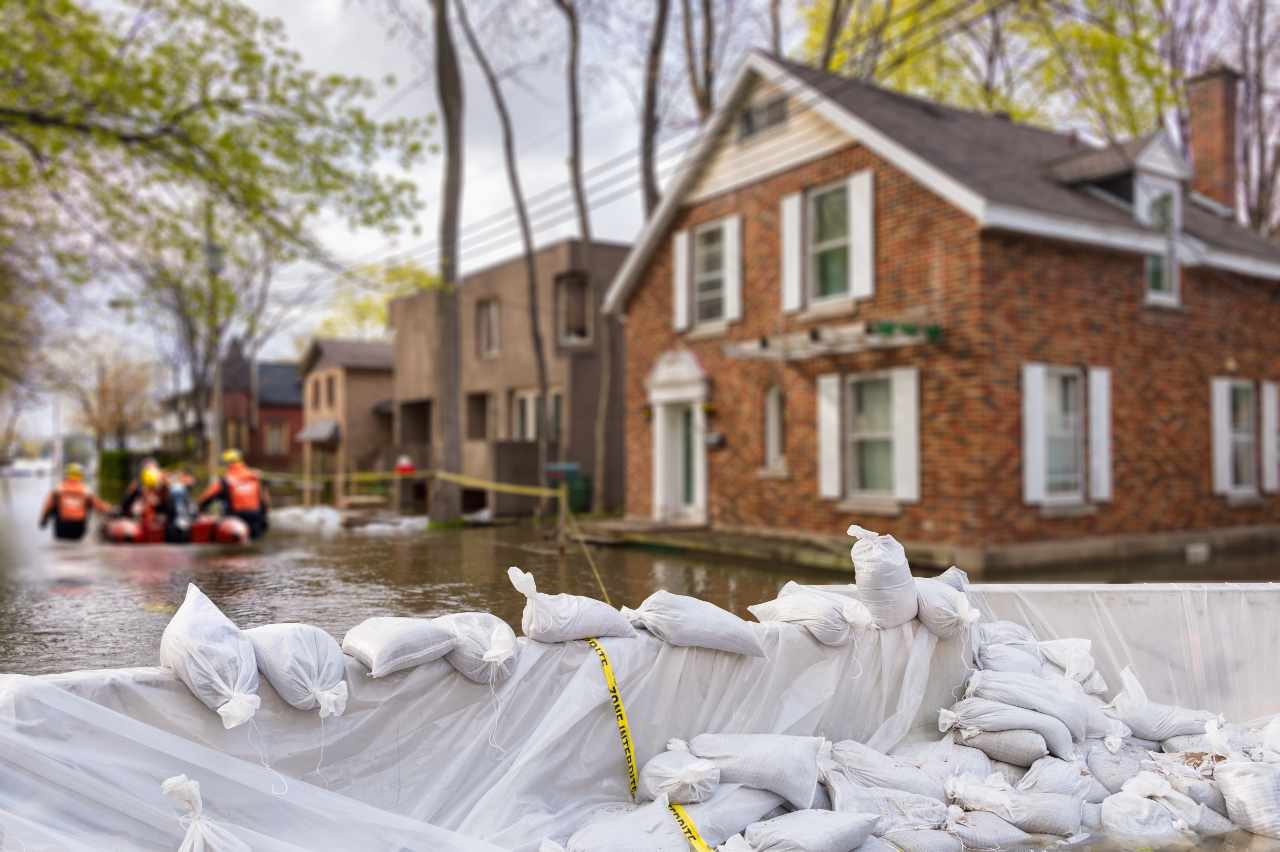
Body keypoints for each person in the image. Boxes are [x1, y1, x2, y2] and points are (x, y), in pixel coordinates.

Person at [198, 449, 269, 539]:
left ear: (227, 464)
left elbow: (206, 498)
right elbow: (265, 500)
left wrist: (200, 510)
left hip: (235, 518)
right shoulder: (255, 477)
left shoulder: (225, 480)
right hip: (256, 517)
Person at [39, 463, 111, 541]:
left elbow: (48, 506)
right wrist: (111, 510)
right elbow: (99, 505)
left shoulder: (58, 489)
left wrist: (43, 520)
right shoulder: (86, 490)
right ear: (80, 476)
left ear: (67, 475)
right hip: (79, 528)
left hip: (61, 527)